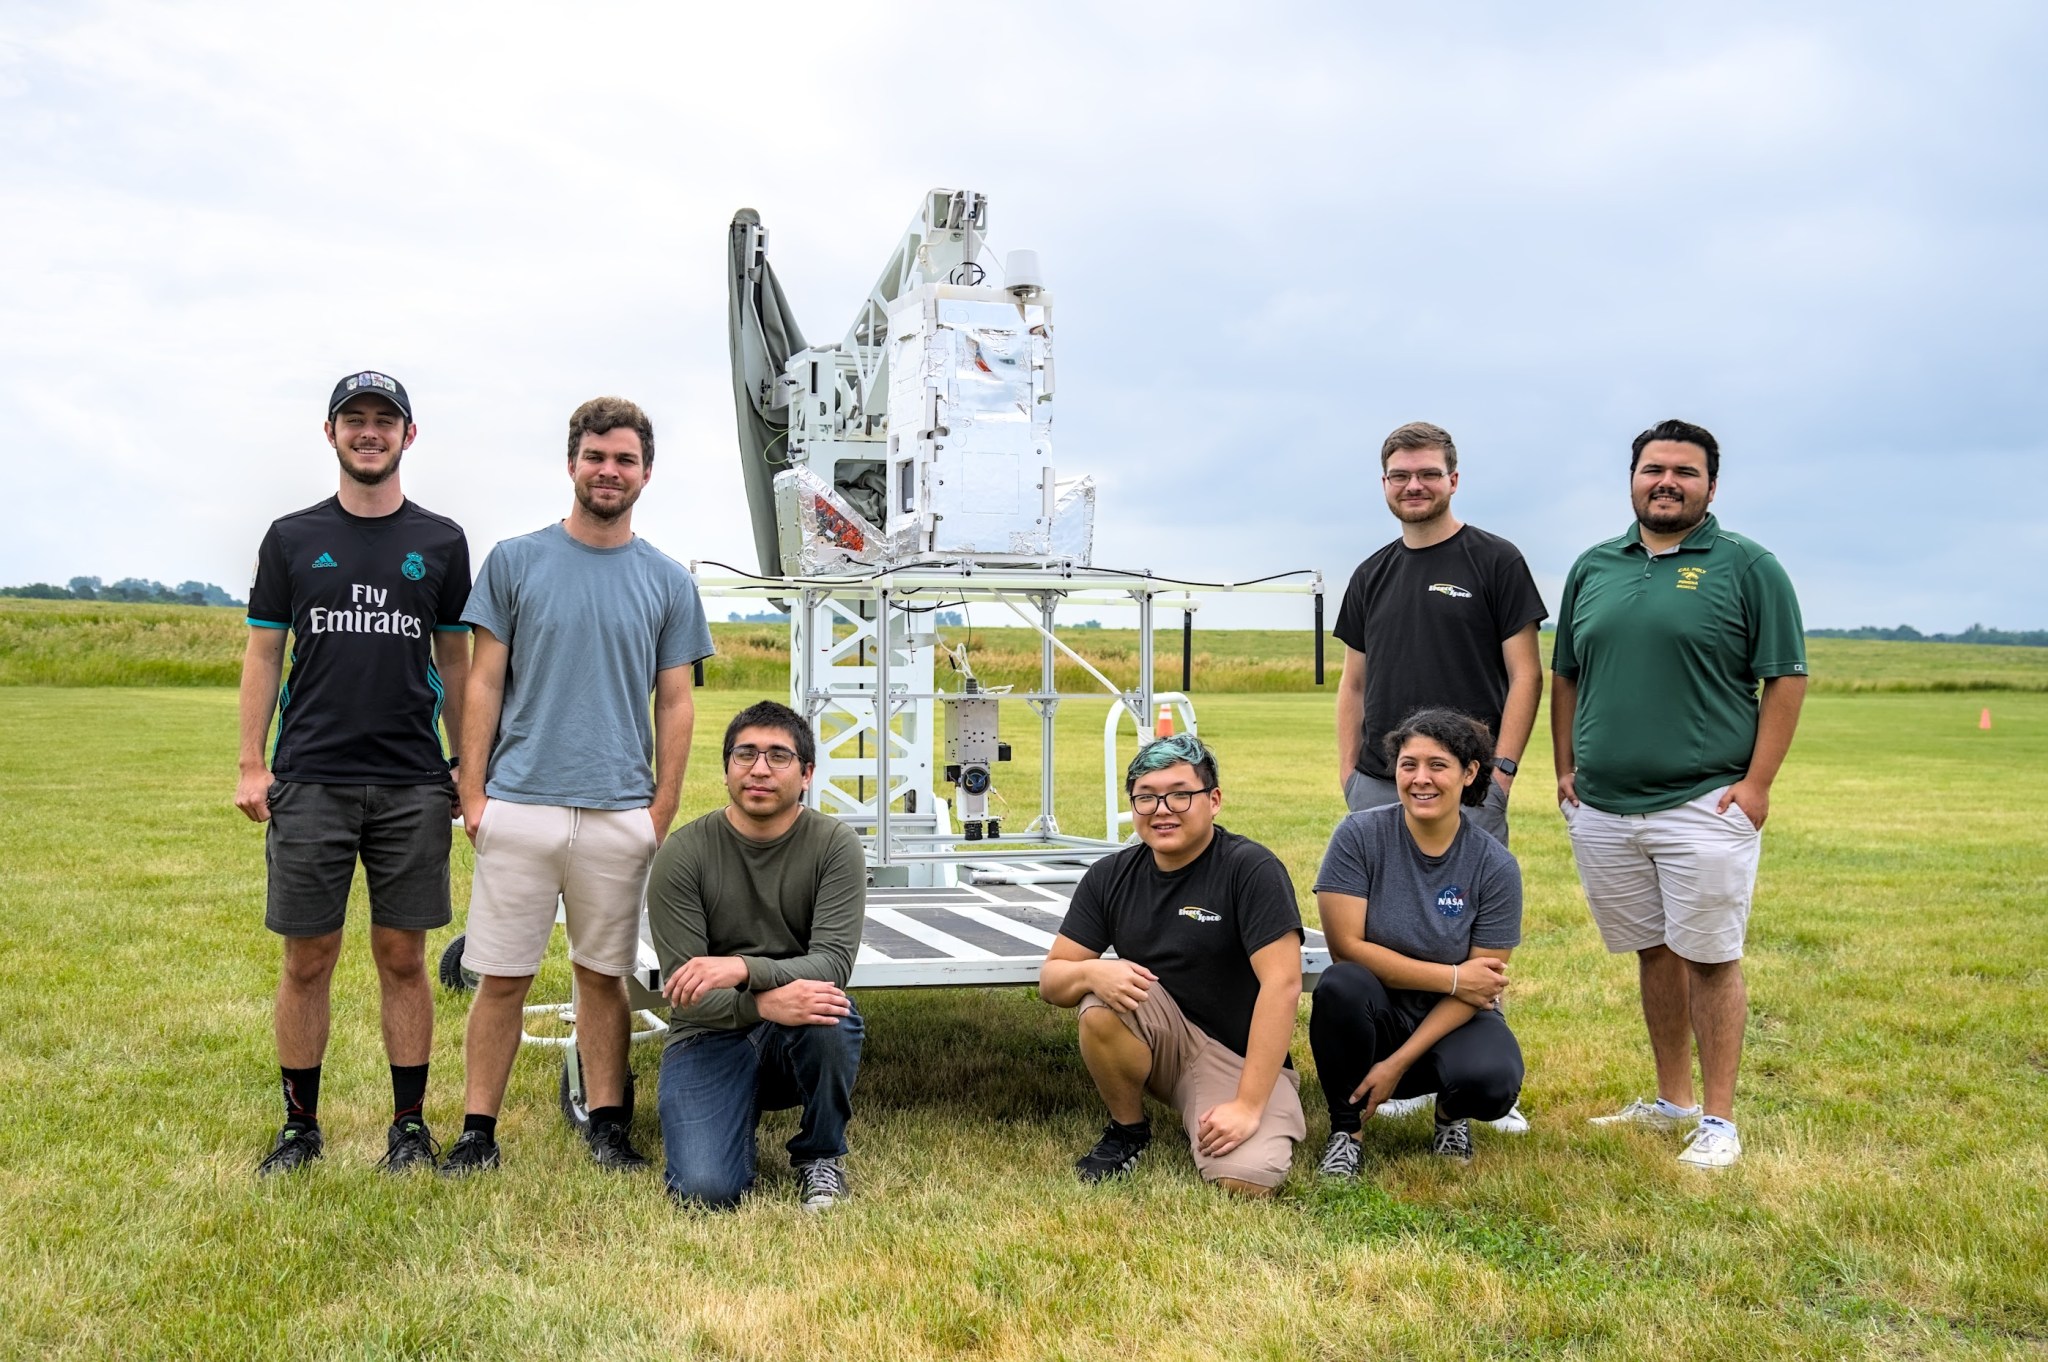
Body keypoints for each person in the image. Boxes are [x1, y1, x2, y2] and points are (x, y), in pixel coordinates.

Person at [440, 396, 713, 1177]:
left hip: (618, 812)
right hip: (519, 804)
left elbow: (676, 702)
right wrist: (474, 794)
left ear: (646, 474)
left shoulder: (665, 580)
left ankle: (608, 1125)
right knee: (502, 978)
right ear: (571, 464)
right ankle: (477, 1133)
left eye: (625, 459)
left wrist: (658, 810)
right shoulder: (516, 561)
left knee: (603, 980)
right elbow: (483, 683)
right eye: (596, 457)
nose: (609, 471)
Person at [1553, 419, 1807, 1169]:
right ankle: (1672, 1104)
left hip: (1705, 802)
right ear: (1632, 479)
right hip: (1601, 805)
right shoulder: (1594, 565)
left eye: (1684, 473)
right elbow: (1567, 671)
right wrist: (1564, 768)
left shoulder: (1748, 566)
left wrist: (1757, 785)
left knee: (1710, 958)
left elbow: (1785, 676)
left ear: (1711, 487)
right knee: (1652, 953)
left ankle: (1720, 1123)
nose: (1666, 482)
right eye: (1653, 469)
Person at [236, 371, 471, 1176]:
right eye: (354, 420)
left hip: (411, 781)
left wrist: (466, 766)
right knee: (308, 959)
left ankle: (409, 1128)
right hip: (312, 778)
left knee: (404, 958)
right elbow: (265, 651)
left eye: (384, 420)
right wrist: (250, 763)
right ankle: (300, 1127)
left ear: (410, 436)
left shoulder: (441, 541)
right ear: (330, 433)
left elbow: (456, 659)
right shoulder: (292, 537)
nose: (369, 433)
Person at [1039, 734, 1306, 1195]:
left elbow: (1282, 986)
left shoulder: (1251, 869)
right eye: (1146, 797)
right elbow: (1052, 979)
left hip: (1235, 1056)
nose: (1162, 809)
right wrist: (1092, 971)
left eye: (1180, 794)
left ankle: (1224, 1108)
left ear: (1214, 800)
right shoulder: (1110, 875)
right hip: (1162, 1038)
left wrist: (1246, 1104)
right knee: (1097, 1000)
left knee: (1246, 1181)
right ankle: (1128, 1130)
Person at [647, 701, 867, 1211]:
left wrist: (744, 968)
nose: (760, 769)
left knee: (832, 1015)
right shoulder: (683, 855)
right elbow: (688, 998)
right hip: (706, 1036)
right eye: (745, 754)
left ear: (807, 773)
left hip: (797, 1030)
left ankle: (821, 1156)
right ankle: (724, 1119)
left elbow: (833, 964)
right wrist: (762, 1004)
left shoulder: (835, 846)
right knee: (706, 1193)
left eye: (779, 756)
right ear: (726, 770)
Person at [1308, 709, 1524, 1176]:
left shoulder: (1496, 866)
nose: (1420, 779)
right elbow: (1347, 947)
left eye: (1438, 765)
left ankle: (1450, 1116)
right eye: (1409, 765)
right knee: (1341, 983)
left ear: (1469, 774)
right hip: (1376, 1011)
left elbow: (1480, 988)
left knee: (1493, 1083)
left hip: (1454, 1017)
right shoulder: (1359, 835)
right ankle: (1347, 1132)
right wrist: (1451, 977)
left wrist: (1398, 1065)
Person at [1333, 421, 1547, 846]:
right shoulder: (1369, 574)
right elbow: (1353, 684)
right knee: (1379, 910)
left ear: (1453, 481)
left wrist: (1500, 773)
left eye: (1428, 474)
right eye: (1401, 476)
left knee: (1468, 910)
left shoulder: (1497, 561)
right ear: (1385, 483)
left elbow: (1527, 675)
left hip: (1469, 786)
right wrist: (1350, 775)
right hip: (1379, 784)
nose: (1414, 485)